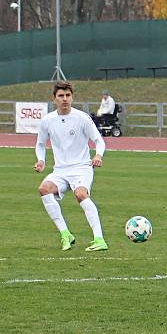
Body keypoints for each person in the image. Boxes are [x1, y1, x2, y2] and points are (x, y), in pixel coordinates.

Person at [34, 81, 108, 252]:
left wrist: (98, 155)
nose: (65, 99)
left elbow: (98, 140)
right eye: (61, 96)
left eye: (68, 95)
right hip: (60, 171)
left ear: (72, 97)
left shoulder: (81, 117)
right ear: (54, 99)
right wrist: (41, 160)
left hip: (82, 167)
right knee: (44, 189)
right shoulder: (47, 121)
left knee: (81, 194)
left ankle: (99, 239)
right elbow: (40, 144)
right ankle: (65, 234)